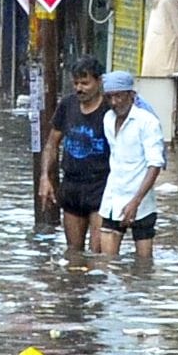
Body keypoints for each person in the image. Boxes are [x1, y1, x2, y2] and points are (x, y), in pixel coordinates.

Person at [38, 55, 110, 253]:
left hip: (101, 186)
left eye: (85, 83)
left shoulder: (109, 110)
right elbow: (52, 143)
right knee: (73, 252)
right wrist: (45, 177)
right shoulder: (68, 105)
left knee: (97, 253)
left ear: (99, 81)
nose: (79, 88)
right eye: (76, 83)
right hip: (71, 185)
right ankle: (73, 283)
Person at [96, 72, 166, 261]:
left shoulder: (147, 122)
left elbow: (155, 164)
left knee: (143, 265)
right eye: (110, 97)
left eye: (119, 96)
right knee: (107, 263)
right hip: (113, 198)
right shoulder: (108, 120)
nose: (114, 102)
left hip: (141, 203)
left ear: (131, 95)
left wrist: (135, 201)